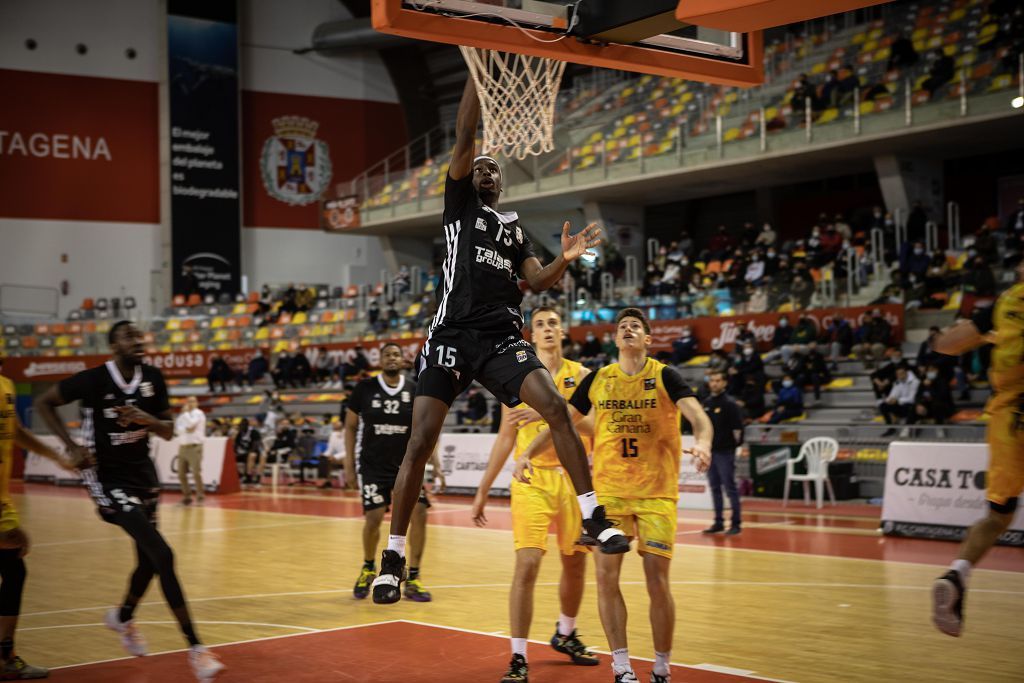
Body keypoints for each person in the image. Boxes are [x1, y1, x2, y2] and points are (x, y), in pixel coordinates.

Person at [370, 76, 627, 605]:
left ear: (503, 183)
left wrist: (566, 259)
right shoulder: (461, 204)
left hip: (499, 337)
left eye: (494, 168)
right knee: (420, 442)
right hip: (452, 332)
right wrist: (475, 66)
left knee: (556, 406)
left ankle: (592, 516)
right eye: (480, 166)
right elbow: (465, 136)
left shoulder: (514, 230)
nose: (485, 169)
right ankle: (393, 558)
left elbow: (535, 282)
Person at [516, 308, 712, 683]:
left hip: (656, 493)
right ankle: (621, 667)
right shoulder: (599, 379)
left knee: (657, 581)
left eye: (635, 326)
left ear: (647, 339)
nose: (627, 329)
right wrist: (528, 452)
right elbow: (563, 420)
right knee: (606, 579)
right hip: (610, 495)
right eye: (622, 326)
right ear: (615, 338)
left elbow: (699, 416)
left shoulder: (665, 376)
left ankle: (661, 666)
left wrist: (703, 442)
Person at [34, 321, 224, 680]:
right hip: (106, 478)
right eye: (129, 336)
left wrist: (145, 419)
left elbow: (168, 430)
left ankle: (121, 618)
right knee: (165, 554)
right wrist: (72, 446)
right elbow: (45, 403)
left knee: (150, 562)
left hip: (143, 476)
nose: (138, 341)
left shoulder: (153, 377)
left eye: (140, 336)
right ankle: (197, 649)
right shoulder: (93, 379)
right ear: (113, 345)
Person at [472, 307, 599, 682]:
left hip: (573, 481)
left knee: (576, 562)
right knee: (527, 564)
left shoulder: (583, 376)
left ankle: (565, 633)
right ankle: (518, 657)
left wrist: (550, 412)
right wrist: (482, 489)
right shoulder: (513, 375)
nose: (547, 329)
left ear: (563, 331)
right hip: (532, 482)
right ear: (531, 335)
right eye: (540, 324)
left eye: (552, 323)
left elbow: (595, 425)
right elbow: (504, 437)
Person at [930, 260, 1024, 637]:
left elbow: (947, 345)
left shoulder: (1005, 303)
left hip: (1008, 420)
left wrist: (984, 336)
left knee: (997, 516)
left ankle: (957, 575)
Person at [345, 343, 445, 603]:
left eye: (396, 354)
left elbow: (426, 431)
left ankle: (413, 576)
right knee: (374, 517)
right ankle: (368, 568)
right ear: (379, 360)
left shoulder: (415, 388)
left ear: (403, 360)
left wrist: (437, 465)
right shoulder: (364, 388)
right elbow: (349, 428)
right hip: (373, 466)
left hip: (407, 466)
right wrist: (348, 464)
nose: (392, 358)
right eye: (387, 354)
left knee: (420, 513)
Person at [0, 372, 80, 678]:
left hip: (4, 501)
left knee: (14, 570)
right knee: (13, 568)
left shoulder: (6, 384)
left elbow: (16, 431)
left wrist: (53, 456)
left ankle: (6, 655)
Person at [701, 371, 744, 535]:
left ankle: (736, 523)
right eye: (712, 380)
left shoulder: (729, 404)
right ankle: (718, 521)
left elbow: (738, 429)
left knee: (730, 488)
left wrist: (735, 447)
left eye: (718, 380)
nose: (714, 384)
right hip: (710, 452)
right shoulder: (706, 403)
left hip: (725, 452)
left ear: (724, 383)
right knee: (714, 488)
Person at [175, 397, 206, 506]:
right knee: (181, 473)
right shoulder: (182, 416)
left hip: (195, 446)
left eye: (193, 401)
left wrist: (186, 415)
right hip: (183, 447)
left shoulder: (199, 413)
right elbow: (178, 430)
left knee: (196, 472)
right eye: (188, 401)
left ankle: (200, 494)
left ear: (197, 403)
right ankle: (187, 496)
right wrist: (186, 428)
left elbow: (191, 426)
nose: (190, 403)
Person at [879, 364, 920, 431]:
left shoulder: (915, 382)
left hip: (911, 405)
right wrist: (889, 400)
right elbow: (893, 394)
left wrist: (897, 401)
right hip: (900, 404)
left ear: (906, 372)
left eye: (902, 373)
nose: (900, 375)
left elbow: (912, 399)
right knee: (883, 406)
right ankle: (891, 428)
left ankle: (907, 428)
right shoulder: (897, 382)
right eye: (898, 374)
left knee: (910, 407)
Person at [233, 417, 264, 486]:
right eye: (240, 425)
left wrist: (248, 452)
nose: (241, 426)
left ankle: (249, 477)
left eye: (243, 425)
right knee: (231, 457)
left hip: (254, 452)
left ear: (247, 425)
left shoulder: (254, 432)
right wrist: (235, 452)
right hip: (242, 452)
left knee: (251, 455)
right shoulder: (239, 433)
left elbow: (256, 445)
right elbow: (236, 444)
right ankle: (240, 475)